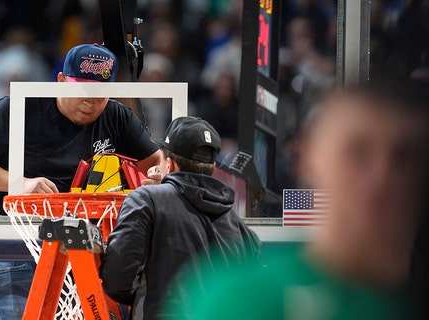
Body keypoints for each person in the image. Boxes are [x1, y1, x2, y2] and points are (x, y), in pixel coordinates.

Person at [167, 77, 429, 319]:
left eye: (405, 157)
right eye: (358, 152)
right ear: (309, 158)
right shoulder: (241, 301)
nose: (381, 176)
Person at [0, 43, 160, 320]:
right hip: (14, 250)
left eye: (100, 95)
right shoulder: (18, 107)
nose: (90, 102)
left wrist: (156, 179)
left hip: (82, 253)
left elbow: (158, 163)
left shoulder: (116, 116)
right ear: (61, 81)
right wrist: (20, 183)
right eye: (82, 92)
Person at [100, 116, 262, 320]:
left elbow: (117, 279)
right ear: (211, 168)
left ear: (169, 164)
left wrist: (145, 294)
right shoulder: (241, 228)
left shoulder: (146, 200)